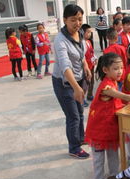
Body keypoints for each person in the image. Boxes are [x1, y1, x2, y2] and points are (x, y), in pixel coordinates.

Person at [52, 4, 92, 159]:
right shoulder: (60, 40)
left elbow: (81, 54)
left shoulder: (80, 33)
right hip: (64, 83)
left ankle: (80, 138)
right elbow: (64, 65)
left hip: (79, 79)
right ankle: (74, 147)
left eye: (80, 19)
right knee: (73, 116)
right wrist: (76, 87)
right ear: (65, 20)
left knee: (80, 113)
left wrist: (86, 66)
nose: (77, 23)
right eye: (73, 20)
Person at [82, 24, 97, 104]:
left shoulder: (88, 41)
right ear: (82, 32)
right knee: (85, 83)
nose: (90, 34)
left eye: (90, 32)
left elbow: (92, 52)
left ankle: (90, 95)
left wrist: (95, 58)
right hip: (85, 67)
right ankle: (82, 98)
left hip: (91, 65)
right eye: (88, 32)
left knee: (92, 81)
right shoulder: (81, 43)